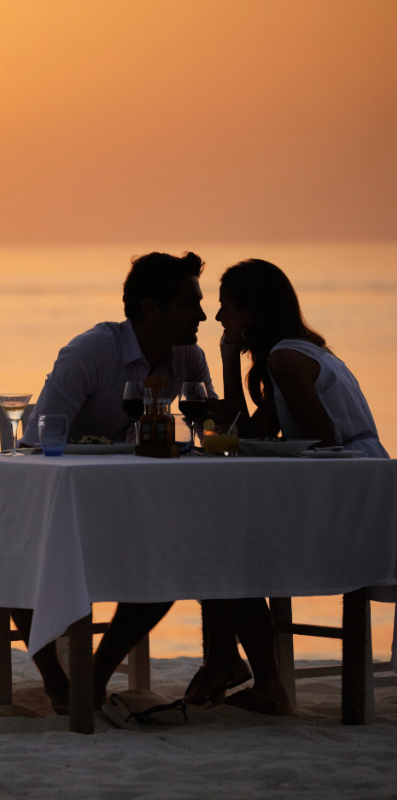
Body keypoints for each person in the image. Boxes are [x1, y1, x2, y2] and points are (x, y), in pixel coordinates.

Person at [12, 250, 220, 712]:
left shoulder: (188, 358)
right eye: (190, 304)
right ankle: (58, 684)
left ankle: (95, 676)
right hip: (60, 500)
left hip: (123, 504)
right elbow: (39, 436)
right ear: (151, 309)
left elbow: (210, 434)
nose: (202, 315)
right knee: (14, 553)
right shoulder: (93, 351)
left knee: (169, 561)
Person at [186, 258, 389, 716]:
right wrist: (226, 359)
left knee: (224, 551)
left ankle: (262, 682)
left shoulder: (285, 359)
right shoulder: (293, 352)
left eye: (226, 308)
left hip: (352, 497)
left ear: (251, 313)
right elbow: (244, 434)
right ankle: (226, 663)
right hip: (360, 486)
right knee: (221, 540)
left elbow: (322, 442)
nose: (219, 318)